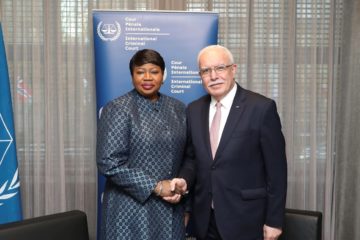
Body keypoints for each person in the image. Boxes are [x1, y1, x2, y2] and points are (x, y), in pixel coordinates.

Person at [170, 45, 287, 240]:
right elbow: (192, 159)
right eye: (206, 71)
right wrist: (184, 180)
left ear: (233, 69)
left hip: (247, 219)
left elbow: (277, 171)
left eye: (220, 68)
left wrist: (274, 221)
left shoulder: (261, 108)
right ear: (200, 76)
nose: (213, 76)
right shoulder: (194, 110)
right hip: (205, 220)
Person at [96, 49, 186, 240]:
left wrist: (180, 191)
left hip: (171, 207)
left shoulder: (178, 108)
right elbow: (108, 162)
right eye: (140, 72)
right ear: (132, 76)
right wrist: (155, 186)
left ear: (163, 76)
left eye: (154, 72)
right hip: (130, 210)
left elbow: (188, 155)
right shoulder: (118, 108)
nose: (147, 77)